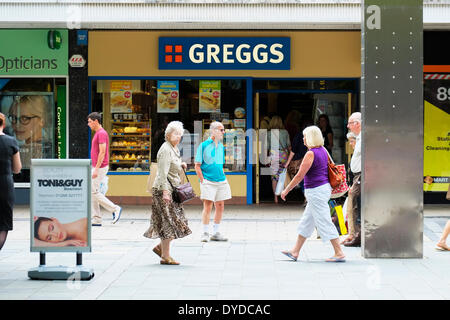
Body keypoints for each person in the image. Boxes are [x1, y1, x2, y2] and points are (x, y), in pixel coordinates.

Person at [280, 125, 345, 262]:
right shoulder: (323, 150)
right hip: (320, 190)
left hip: (316, 191)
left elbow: (299, 176)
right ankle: (295, 251)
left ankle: (339, 252)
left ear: (310, 137)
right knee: (307, 222)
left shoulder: (311, 153)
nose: (303, 139)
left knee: (324, 221)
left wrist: (286, 190)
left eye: (305, 136)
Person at [143, 121, 192, 265]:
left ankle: (162, 249)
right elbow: (162, 173)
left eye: (180, 134)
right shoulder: (165, 149)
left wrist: (180, 164)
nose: (178, 137)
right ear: (168, 135)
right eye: (175, 134)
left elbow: (172, 164)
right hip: (164, 191)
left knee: (176, 221)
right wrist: (165, 192)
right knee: (169, 222)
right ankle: (165, 255)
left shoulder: (174, 148)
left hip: (173, 190)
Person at [195, 121, 231, 242]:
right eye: (221, 130)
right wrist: (202, 181)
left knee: (220, 206)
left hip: (221, 180)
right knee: (208, 206)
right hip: (208, 181)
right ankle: (205, 232)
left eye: (223, 130)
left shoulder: (220, 146)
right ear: (214, 131)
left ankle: (216, 233)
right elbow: (197, 165)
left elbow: (219, 164)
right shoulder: (203, 146)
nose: (223, 132)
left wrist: (224, 177)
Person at [87, 112, 122, 226]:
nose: (88, 124)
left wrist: (96, 169)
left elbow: (102, 152)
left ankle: (114, 208)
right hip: (97, 166)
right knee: (93, 192)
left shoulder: (101, 133)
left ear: (96, 121)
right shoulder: (98, 133)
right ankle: (96, 219)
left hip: (100, 167)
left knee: (93, 192)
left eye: (90, 122)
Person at [8, 95, 52, 168]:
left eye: (25, 118)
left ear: (42, 120)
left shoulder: (41, 148)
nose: (17, 125)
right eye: (13, 118)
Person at [0, 112, 22, 250]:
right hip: (4, 185)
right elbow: (17, 168)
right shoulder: (11, 142)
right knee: (3, 224)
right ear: (3, 124)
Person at [342, 112, 362, 247]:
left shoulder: (363, 137)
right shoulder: (359, 137)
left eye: (350, 123)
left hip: (361, 175)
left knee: (352, 197)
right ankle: (353, 233)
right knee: (353, 199)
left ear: (357, 123)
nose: (348, 126)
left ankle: (354, 234)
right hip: (357, 175)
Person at [268, 115, 291, 204]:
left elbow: (266, 147)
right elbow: (289, 145)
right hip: (283, 155)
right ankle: (283, 195)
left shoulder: (269, 133)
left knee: (274, 177)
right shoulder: (285, 132)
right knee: (283, 175)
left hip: (273, 155)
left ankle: (275, 198)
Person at [284, 130, 308, 203]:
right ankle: (306, 196)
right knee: (305, 178)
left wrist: (287, 163)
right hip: (305, 160)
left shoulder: (298, 136)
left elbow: (293, 150)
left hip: (298, 161)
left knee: (300, 178)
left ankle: (306, 196)